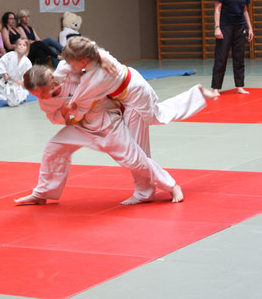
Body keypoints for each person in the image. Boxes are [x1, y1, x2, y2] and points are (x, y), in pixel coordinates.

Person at [62, 37, 216, 204]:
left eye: (71, 62)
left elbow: (76, 105)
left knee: (137, 151)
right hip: (136, 84)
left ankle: (157, 190)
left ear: (83, 60)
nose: (69, 66)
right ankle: (196, 94)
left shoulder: (94, 79)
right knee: (158, 114)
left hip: (135, 99)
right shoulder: (99, 54)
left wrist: (66, 115)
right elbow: (85, 49)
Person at [14, 64, 183, 205]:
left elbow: (90, 59)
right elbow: (54, 119)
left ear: (51, 80)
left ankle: (171, 185)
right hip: (80, 126)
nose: (42, 98)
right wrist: (65, 111)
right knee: (54, 148)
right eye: (37, 96)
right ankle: (43, 194)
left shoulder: (71, 75)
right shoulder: (45, 100)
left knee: (133, 158)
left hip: (107, 120)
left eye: (43, 93)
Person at [211, 0, 254, 96]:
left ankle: (239, 86)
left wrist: (250, 28)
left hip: (239, 26)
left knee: (239, 57)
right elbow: (217, 9)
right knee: (221, 56)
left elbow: (245, 10)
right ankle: (216, 88)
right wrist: (217, 27)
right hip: (225, 26)